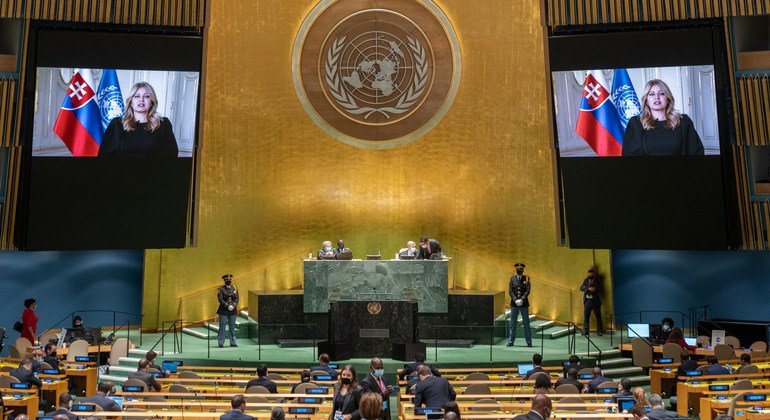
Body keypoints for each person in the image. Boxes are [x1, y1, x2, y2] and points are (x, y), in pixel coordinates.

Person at [621, 79, 704, 156]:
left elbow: (696, 152)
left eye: (661, 93)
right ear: (646, 100)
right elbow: (629, 156)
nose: (656, 97)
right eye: (651, 94)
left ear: (668, 99)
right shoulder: (636, 123)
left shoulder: (683, 121)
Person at [98, 82, 178, 157]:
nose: (141, 100)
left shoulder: (163, 124)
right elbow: (104, 155)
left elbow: (171, 155)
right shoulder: (117, 124)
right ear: (130, 101)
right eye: (137, 96)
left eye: (146, 96)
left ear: (152, 102)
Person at [507, 262, 532, 347]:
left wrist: (521, 299)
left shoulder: (527, 278)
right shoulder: (512, 279)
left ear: (523, 270)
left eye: (521, 269)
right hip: (514, 304)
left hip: (524, 304)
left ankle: (529, 342)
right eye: (518, 269)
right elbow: (510, 291)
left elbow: (528, 290)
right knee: (512, 323)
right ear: (516, 270)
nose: (519, 270)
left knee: (526, 323)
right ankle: (511, 341)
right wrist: (515, 299)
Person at [217, 273, 239, 348]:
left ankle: (233, 342)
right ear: (224, 280)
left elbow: (237, 298)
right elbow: (220, 299)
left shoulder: (234, 288)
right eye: (227, 279)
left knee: (232, 327)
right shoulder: (221, 289)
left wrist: (233, 305)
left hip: (232, 310)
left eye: (230, 279)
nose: (229, 280)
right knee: (222, 327)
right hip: (223, 310)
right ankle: (221, 342)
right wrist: (227, 306)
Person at [580, 268, 603, 336]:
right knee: (586, 317)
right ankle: (585, 331)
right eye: (589, 274)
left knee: (598, 317)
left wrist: (595, 289)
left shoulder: (598, 280)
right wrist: (588, 288)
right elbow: (581, 288)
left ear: (594, 274)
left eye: (591, 274)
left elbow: (600, 287)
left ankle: (599, 331)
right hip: (587, 301)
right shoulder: (586, 280)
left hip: (596, 301)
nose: (589, 275)